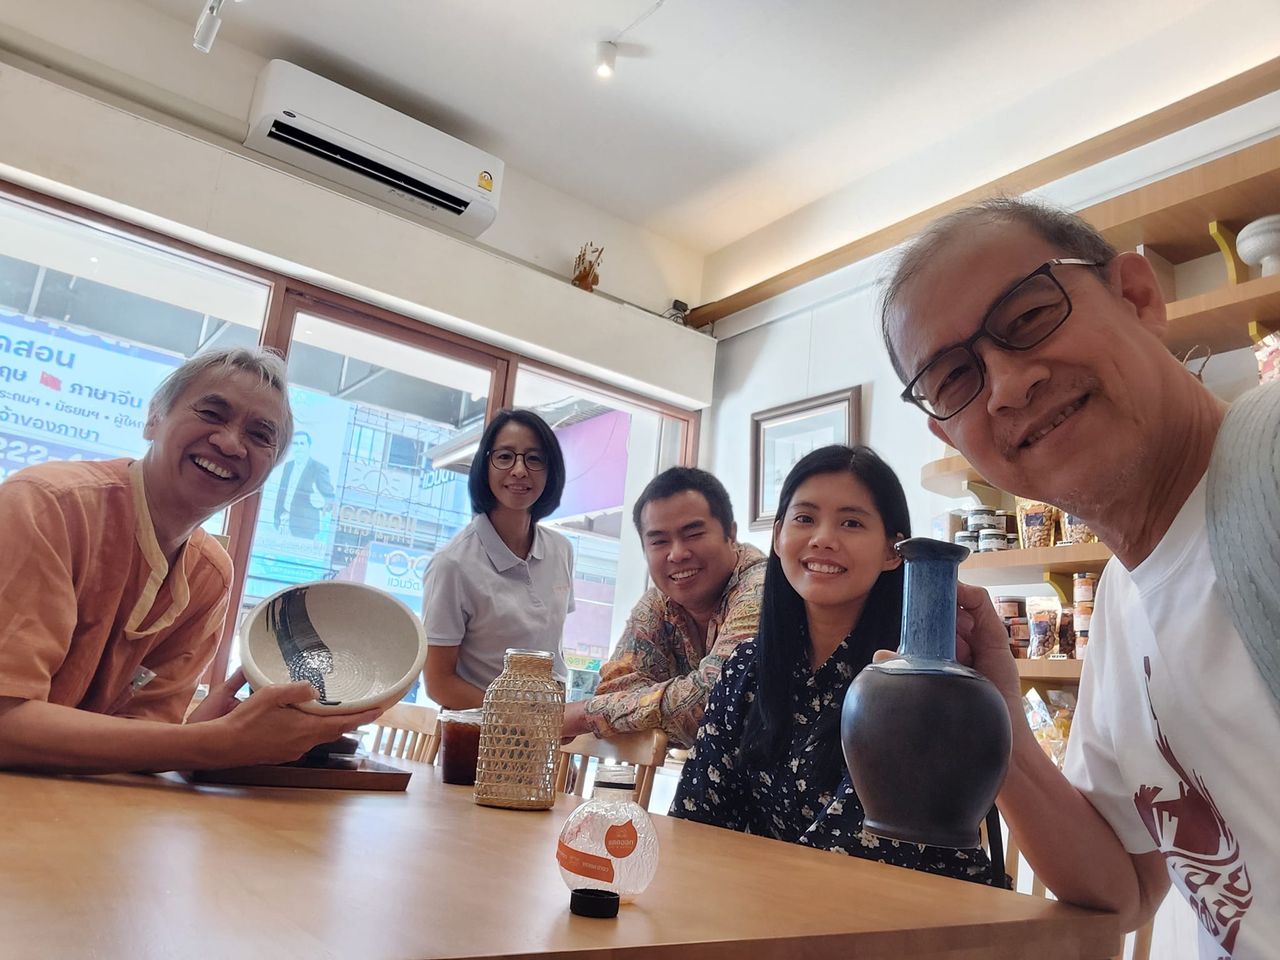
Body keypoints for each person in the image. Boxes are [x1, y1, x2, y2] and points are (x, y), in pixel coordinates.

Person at [882, 197, 1279, 956]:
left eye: (1030, 316)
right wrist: (992, 717)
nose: (1006, 386)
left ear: (1136, 296)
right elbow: (1125, 889)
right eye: (956, 377)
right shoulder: (1125, 602)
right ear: (949, 434)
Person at [0, 347, 381, 774]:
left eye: (260, 436)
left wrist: (209, 732)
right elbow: (5, 724)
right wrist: (210, 743)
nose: (230, 443)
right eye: (212, 414)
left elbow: (144, 736)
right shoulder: (48, 506)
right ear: (154, 419)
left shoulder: (209, 574)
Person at [671, 445, 998, 885]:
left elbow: (860, 855)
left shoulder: (913, 688)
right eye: (805, 518)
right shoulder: (746, 668)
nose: (823, 538)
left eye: (851, 523)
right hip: (777, 909)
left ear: (894, 551)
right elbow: (694, 823)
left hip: (918, 915)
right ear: (778, 536)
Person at [559, 467, 765, 747]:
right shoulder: (659, 602)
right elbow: (613, 689)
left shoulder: (761, 588)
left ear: (730, 533)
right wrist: (617, 712)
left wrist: (585, 715)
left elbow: (717, 699)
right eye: (659, 541)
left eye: (693, 534)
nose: (677, 554)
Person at [422, 408, 574, 709]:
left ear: (551, 471)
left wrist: (551, 717)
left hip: (543, 729)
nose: (519, 470)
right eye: (505, 457)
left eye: (534, 459)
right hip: (474, 730)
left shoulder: (561, 550)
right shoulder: (452, 564)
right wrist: (516, 718)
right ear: (485, 466)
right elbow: (439, 683)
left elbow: (551, 652)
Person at [273, 431, 335, 540]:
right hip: (284, 522)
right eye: (295, 444)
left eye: (302, 443)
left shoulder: (319, 469)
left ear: (308, 446)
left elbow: (330, 501)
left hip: (305, 529)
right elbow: (282, 493)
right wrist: (278, 517)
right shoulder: (288, 466)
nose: (299, 447)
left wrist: (320, 502)